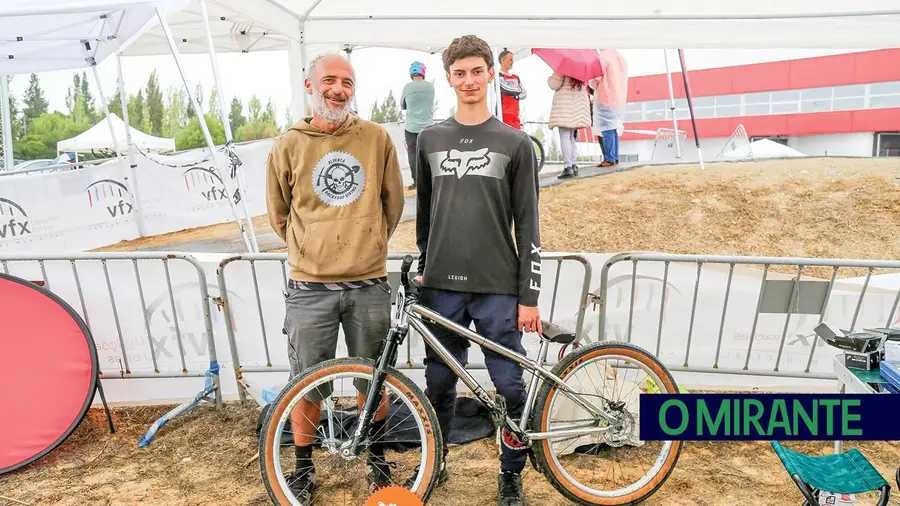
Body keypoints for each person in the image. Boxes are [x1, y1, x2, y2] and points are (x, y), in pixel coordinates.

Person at [265, 53, 405, 504]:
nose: (338, 89)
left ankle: (379, 462)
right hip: (310, 288)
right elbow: (278, 214)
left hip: (369, 284)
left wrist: (366, 244)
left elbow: (393, 202)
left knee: (374, 380)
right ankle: (302, 468)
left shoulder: (376, 138)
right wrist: (315, 248)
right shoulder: (288, 144)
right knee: (307, 384)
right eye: (329, 80)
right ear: (310, 86)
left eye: (347, 82)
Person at [412, 35, 542, 506]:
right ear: (448, 78)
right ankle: (437, 460)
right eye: (459, 73)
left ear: (491, 74)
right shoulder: (429, 138)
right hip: (440, 288)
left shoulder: (515, 142)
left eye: (476, 71)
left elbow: (529, 224)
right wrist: (424, 268)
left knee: (509, 384)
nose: (468, 81)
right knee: (440, 381)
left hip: (498, 289)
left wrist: (529, 296)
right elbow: (425, 215)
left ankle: (511, 474)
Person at [588, 49, 629, 167]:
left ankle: (609, 158)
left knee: (607, 128)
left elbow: (596, 77)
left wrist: (591, 85)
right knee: (614, 127)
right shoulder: (620, 57)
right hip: (618, 98)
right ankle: (614, 156)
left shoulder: (603, 56)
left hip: (605, 96)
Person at [547, 72, 591, 179]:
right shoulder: (582, 72)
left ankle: (568, 167)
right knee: (572, 137)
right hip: (577, 108)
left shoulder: (563, 69)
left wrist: (550, 78)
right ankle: (574, 165)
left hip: (565, 107)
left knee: (565, 137)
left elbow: (554, 84)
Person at [400, 61, 435, 189]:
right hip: (428, 127)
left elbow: (403, 105)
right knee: (429, 154)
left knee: (413, 154)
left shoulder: (407, 87)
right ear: (423, 72)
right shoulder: (430, 86)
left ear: (411, 73)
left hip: (411, 127)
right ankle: (431, 179)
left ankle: (416, 182)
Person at [498, 49, 527, 130]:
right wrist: (517, 92)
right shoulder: (499, 75)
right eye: (510, 59)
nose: (512, 62)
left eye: (513, 60)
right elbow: (506, 89)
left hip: (515, 114)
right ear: (502, 60)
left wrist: (514, 95)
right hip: (504, 114)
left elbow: (524, 94)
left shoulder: (516, 77)